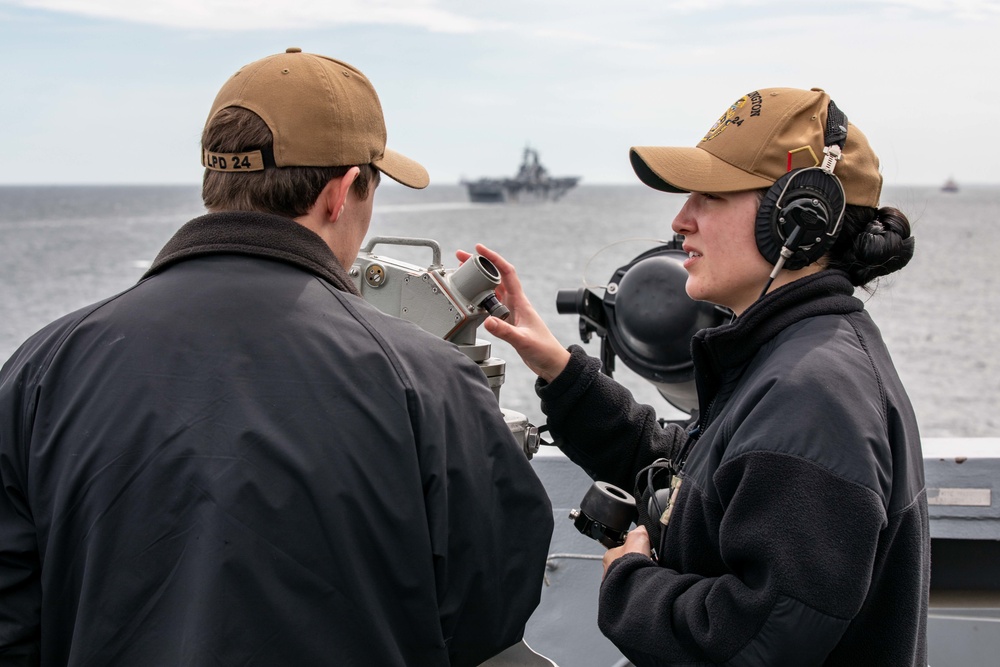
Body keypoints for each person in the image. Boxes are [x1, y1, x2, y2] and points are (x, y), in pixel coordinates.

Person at [0, 48, 553, 666]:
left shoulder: (39, 371)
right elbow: (489, 617)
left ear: (217, 181)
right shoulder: (432, 385)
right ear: (342, 193)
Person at [462, 87, 928, 665]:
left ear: (797, 218)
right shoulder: (795, 359)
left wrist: (630, 581)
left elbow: (754, 640)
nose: (681, 220)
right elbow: (696, 473)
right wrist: (558, 367)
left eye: (709, 196)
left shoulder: (814, 393)